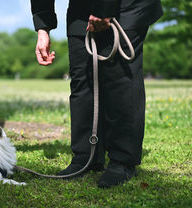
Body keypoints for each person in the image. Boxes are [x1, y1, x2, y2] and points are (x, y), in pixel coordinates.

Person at [30, 0, 163, 188]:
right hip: (82, 6)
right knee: (81, 76)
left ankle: (122, 160)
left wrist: (104, 10)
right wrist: (43, 29)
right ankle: (86, 157)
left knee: (119, 76)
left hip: (127, 5)